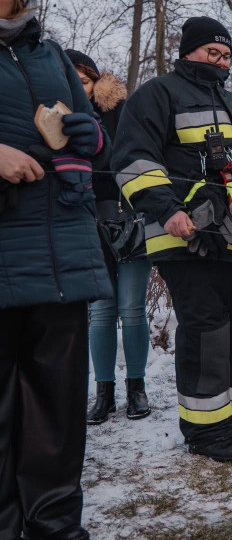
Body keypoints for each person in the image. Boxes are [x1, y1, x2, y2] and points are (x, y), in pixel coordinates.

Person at [112, 16, 232, 463]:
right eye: (213, 52)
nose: (222, 61)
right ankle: (207, 431)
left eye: (227, 55)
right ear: (188, 51)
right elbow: (133, 159)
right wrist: (167, 209)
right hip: (190, 240)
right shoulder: (157, 94)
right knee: (209, 332)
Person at [0, 0, 113, 540]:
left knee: (58, 394)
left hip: (61, 244)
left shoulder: (49, 54)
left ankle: (53, 513)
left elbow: (91, 134)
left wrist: (88, 133)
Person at [67, 49, 152, 423]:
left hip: (129, 217)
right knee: (101, 311)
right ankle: (104, 394)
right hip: (87, 223)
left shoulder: (121, 111)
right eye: (70, 79)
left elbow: (138, 157)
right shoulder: (54, 116)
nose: (78, 86)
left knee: (132, 308)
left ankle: (137, 389)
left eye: (84, 80)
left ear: (95, 80)